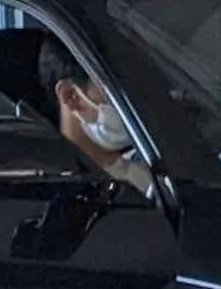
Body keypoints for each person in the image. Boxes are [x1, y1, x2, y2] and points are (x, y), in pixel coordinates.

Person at [38, 42, 155, 200]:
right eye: (118, 88)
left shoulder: (155, 163)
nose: (136, 99)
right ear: (72, 97)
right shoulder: (65, 195)